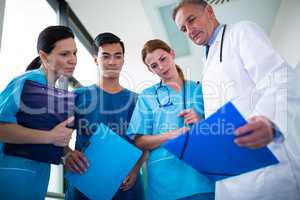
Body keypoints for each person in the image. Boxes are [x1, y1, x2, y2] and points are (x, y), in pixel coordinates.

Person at [172, 0, 300, 199]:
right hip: (232, 168)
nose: (189, 30)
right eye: (183, 28)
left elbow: (280, 78)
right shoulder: (207, 62)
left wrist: (267, 119)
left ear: (209, 11)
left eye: (191, 20)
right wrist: (204, 126)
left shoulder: (241, 32)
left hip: (268, 162)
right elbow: (232, 104)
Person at [127, 39, 215, 200]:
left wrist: (201, 121)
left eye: (163, 59)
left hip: (200, 177)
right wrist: (172, 135)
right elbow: (139, 141)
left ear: (172, 54)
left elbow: (219, 131)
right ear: (150, 70)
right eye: (153, 66)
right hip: (164, 183)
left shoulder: (199, 89)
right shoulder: (147, 96)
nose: (161, 67)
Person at [64, 32, 147, 200]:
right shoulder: (78, 96)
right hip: (86, 182)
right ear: (96, 60)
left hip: (126, 185)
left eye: (118, 56)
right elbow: (58, 136)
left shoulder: (137, 101)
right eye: (105, 56)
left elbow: (144, 142)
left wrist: (136, 168)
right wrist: (67, 153)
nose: (112, 62)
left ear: (123, 60)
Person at [0, 25, 77, 199]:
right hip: (10, 177)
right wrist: (51, 137)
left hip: (36, 178)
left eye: (74, 53)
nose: (73, 60)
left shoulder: (55, 93)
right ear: (44, 56)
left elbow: (43, 133)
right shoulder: (27, 81)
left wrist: (67, 154)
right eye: (64, 54)